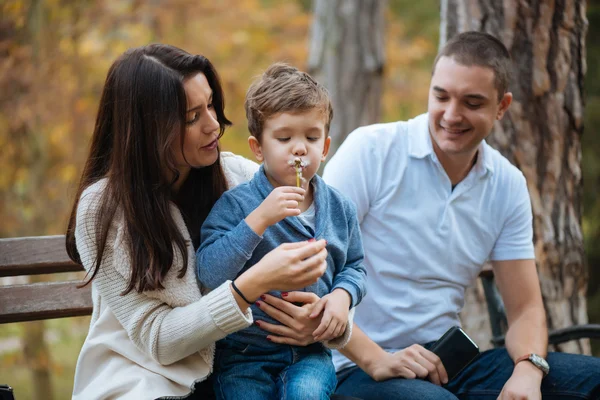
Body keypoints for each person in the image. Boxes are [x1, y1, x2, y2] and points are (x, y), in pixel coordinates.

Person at [314, 31, 600, 400]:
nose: (452, 114)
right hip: (356, 363)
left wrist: (529, 371)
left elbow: (526, 307)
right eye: (441, 96)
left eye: (472, 102)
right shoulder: (371, 151)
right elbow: (313, 279)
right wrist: (376, 359)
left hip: (448, 362)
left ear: (502, 107)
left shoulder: (507, 185)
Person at [65, 44, 330, 400]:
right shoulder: (103, 210)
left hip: (244, 367)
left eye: (210, 105)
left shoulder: (238, 177)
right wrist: (253, 283)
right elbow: (159, 341)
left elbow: (328, 249)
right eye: (192, 117)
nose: (214, 125)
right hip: (146, 377)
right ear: (148, 131)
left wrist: (336, 314)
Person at [196, 63, 367, 400]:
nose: (299, 148)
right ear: (258, 147)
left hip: (311, 354)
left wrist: (341, 297)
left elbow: (355, 266)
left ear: (326, 145)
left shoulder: (339, 208)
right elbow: (208, 274)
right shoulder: (238, 205)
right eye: (284, 138)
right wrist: (258, 220)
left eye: (311, 137)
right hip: (244, 355)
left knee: (306, 394)